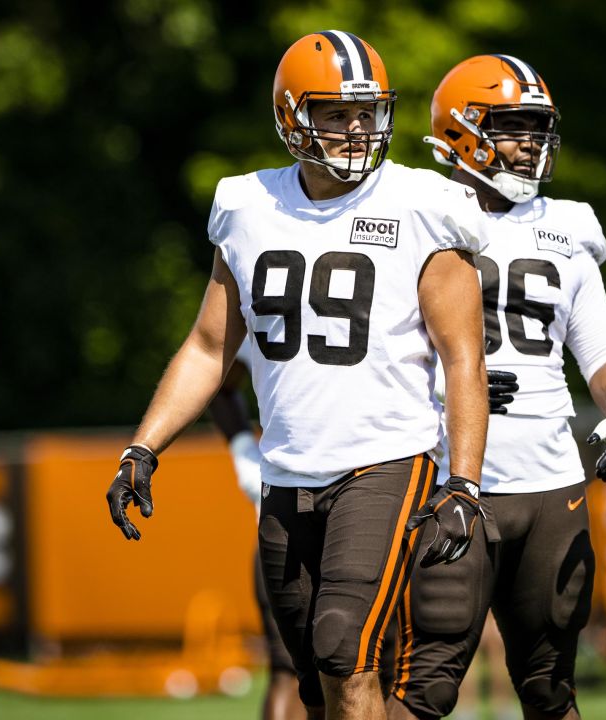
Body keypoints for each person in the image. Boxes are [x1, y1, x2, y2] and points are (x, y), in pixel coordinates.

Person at [105, 31, 490, 720]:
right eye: (336, 112)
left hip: (385, 460)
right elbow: (207, 347)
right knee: (314, 681)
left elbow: (464, 358)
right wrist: (144, 445)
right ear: (290, 116)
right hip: (286, 474)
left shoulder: (422, 204)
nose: (355, 128)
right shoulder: (248, 206)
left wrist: (463, 480)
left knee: (344, 648)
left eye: (366, 111)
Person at [387, 54, 606, 720]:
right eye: (513, 126)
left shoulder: (568, 230)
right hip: (446, 474)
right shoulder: (412, 213)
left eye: (539, 128)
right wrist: (446, 390)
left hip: (551, 479)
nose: (531, 142)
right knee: (425, 686)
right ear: (463, 129)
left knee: (550, 687)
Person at [206, 361, 304, 720]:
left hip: (353, 511)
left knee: (296, 670)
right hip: (288, 517)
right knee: (288, 669)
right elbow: (213, 369)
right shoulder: (257, 304)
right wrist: (246, 456)